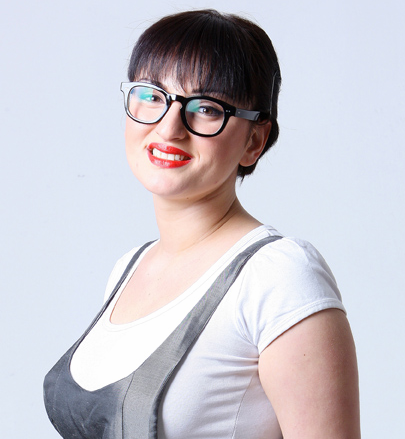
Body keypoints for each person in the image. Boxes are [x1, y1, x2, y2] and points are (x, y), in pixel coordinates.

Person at [44, 9, 360, 439]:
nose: (169, 128)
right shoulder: (128, 269)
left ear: (254, 141)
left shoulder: (278, 277)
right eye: (152, 95)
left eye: (207, 108)